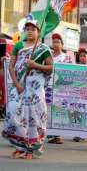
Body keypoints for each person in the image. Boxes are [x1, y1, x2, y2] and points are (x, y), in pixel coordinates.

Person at [2, 19, 53, 159]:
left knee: (33, 118)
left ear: (38, 32)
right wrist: (17, 85)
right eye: (27, 28)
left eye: (33, 28)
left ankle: (31, 149)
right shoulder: (18, 46)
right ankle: (20, 146)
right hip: (19, 86)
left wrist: (35, 65)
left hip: (35, 89)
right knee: (13, 113)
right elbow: (11, 67)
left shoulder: (43, 49)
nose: (30, 31)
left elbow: (50, 68)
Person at [47, 33, 73, 145]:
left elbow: (72, 73)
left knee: (59, 111)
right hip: (48, 87)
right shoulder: (48, 57)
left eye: (58, 42)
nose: (56, 44)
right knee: (48, 111)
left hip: (61, 89)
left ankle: (59, 135)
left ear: (62, 45)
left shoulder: (66, 58)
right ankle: (51, 134)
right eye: (54, 42)